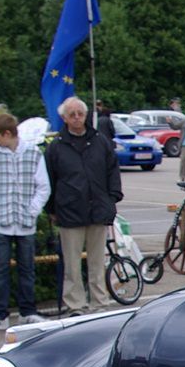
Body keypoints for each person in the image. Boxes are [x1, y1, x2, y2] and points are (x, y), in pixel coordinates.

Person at [44, 96, 122, 315]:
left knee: (97, 262)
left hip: (98, 209)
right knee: (72, 264)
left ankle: (99, 301)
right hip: (69, 211)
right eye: (72, 115)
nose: (77, 118)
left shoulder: (100, 141)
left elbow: (112, 170)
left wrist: (112, 198)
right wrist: (51, 210)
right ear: (64, 118)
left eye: (80, 113)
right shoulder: (56, 146)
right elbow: (49, 179)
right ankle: (75, 304)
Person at [0, 113, 50, 330]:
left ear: (8, 134)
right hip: (1, 222)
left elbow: (43, 186)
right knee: (0, 269)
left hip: (26, 222)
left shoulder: (33, 152)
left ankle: (28, 311)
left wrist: (33, 210)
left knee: (27, 268)